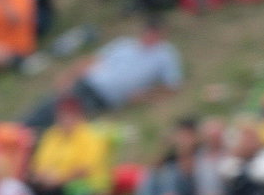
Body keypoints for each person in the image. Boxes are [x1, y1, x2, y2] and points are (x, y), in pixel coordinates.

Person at [22, 16, 182, 130]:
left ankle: (29, 140)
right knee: (50, 105)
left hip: (105, 98)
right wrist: (69, 76)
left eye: (155, 33)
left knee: (65, 121)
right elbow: (93, 59)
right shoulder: (125, 44)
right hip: (88, 82)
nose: (150, 36)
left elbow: (173, 85)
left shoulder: (165, 55)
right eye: (148, 31)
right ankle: (18, 128)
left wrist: (147, 96)